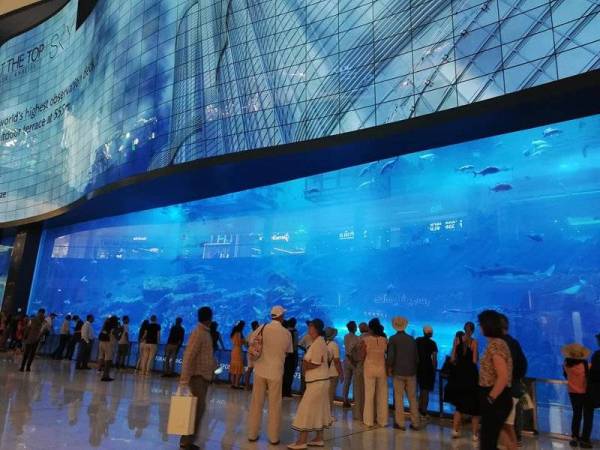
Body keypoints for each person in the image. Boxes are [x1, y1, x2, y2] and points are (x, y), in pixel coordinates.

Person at [247, 305, 293, 445]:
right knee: (275, 405)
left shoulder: (262, 327)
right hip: (276, 372)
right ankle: (273, 437)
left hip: (260, 370)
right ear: (281, 316)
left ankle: (252, 434)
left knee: (256, 403)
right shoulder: (286, 333)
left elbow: (250, 341)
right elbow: (288, 351)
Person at [287, 319, 332, 449]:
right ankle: (319, 438)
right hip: (321, 381)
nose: (308, 328)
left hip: (317, 382)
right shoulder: (320, 342)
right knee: (319, 409)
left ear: (315, 329)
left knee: (305, 409)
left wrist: (305, 364)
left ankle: (302, 441)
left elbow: (316, 363)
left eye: (310, 326)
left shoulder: (317, 344)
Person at [179, 307, 217, 450]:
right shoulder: (199, 333)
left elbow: (205, 354)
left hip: (203, 377)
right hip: (197, 378)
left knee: (199, 409)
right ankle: (186, 441)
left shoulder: (205, 333)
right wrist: (184, 380)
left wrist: (213, 366)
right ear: (209, 318)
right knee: (195, 410)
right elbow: (189, 356)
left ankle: (188, 440)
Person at [478, 310, 513, 450]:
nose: (479, 327)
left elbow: (503, 377)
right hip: (497, 398)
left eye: (481, 324)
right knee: (490, 439)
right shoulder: (496, 343)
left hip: (496, 398)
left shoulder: (496, 345)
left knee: (488, 442)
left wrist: (490, 399)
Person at [445, 322, 480, 441]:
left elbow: (452, 358)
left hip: (459, 375)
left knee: (459, 405)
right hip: (471, 375)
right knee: (475, 407)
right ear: (473, 331)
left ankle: (455, 430)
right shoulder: (474, 342)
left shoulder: (457, 340)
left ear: (464, 329)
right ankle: (474, 435)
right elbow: (474, 361)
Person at [499, 314, 528, 449]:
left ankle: (512, 444)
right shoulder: (514, 342)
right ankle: (517, 440)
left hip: (506, 389)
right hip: (514, 386)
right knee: (511, 421)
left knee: (506, 424)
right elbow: (523, 365)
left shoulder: (501, 344)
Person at [387, 316, 420, 430]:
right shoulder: (412, 339)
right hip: (411, 372)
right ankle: (415, 423)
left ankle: (400, 423)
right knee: (413, 398)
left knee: (398, 398)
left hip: (398, 373)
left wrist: (389, 367)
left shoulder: (393, 339)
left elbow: (391, 357)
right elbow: (416, 358)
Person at [562, 343, 592, 447]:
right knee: (587, 415)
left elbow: (565, 375)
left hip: (572, 393)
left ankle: (574, 437)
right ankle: (584, 438)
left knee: (576, 415)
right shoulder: (585, 365)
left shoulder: (566, 364)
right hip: (584, 393)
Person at [362, 318, 388, 428]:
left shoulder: (366, 340)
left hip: (369, 368)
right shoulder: (385, 340)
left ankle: (369, 421)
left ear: (371, 328)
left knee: (369, 394)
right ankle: (383, 421)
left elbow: (363, 355)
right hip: (381, 368)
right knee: (382, 395)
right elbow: (386, 354)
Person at [582, 333, 600, 449]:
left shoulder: (597, 355)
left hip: (594, 390)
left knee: (588, 414)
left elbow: (593, 373)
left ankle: (585, 439)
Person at [416, 324, 438, 417]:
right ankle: (423, 411)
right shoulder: (432, 343)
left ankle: (418, 409)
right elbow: (434, 359)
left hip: (418, 367)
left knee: (420, 390)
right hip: (428, 368)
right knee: (425, 390)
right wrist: (434, 369)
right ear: (430, 333)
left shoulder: (417, 340)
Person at [352, 322, 369, 421]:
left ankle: (358, 414)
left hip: (359, 366)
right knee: (368, 392)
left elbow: (351, 352)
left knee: (358, 391)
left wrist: (355, 362)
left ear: (360, 329)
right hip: (369, 367)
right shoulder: (371, 338)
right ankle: (367, 414)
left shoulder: (357, 338)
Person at [325, 327, 344, 417]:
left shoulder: (323, 343)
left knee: (325, 395)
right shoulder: (334, 345)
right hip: (332, 373)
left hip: (324, 373)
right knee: (330, 395)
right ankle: (328, 415)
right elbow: (337, 361)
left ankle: (323, 414)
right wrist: (341, 373)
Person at [342, 321, 360, 408]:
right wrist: (353, 361)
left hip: (346, 360)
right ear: (354, 328)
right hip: (354, 361)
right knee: (355, 382)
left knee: (346, 381)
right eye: (356, 326)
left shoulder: (345, 336)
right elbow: (351, 349)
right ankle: (356, 401)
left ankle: (345, 400)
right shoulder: (357, 338)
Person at [98, 316, 119, 382]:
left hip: (101, 343)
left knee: (102, 357)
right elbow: (117, 337)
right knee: (108, 360)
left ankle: (101, 371)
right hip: (108, 344)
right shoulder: (113, 328)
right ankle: (105, 375)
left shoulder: (105, 326)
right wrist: (120, 332)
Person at [283, 318, 299, 397]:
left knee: (285, 373)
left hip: (286, 355)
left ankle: (283, 391)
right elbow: (295, 345)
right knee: (290, 373)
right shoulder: (295, 332)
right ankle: (287, 391)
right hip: (293, 355)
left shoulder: (285, 332)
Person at [229, 320, 246, 389]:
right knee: (239, 367)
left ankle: (232, 384)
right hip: (238, 350)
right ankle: (237, 384)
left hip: (234, 350)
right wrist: (245, 341)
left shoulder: (233, 333)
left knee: (233, 367)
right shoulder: (239, 333)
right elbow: (242, 342)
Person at [244, 321, 260, 389]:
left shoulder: (250, 334)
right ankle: (256, 386)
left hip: (250, 353)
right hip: (256, 354)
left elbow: (245, 343)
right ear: (256, 326)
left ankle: (246, 385)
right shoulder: (258, 334)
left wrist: (249, 348)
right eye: (258, 325)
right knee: (256, 371)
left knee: (249, 369)